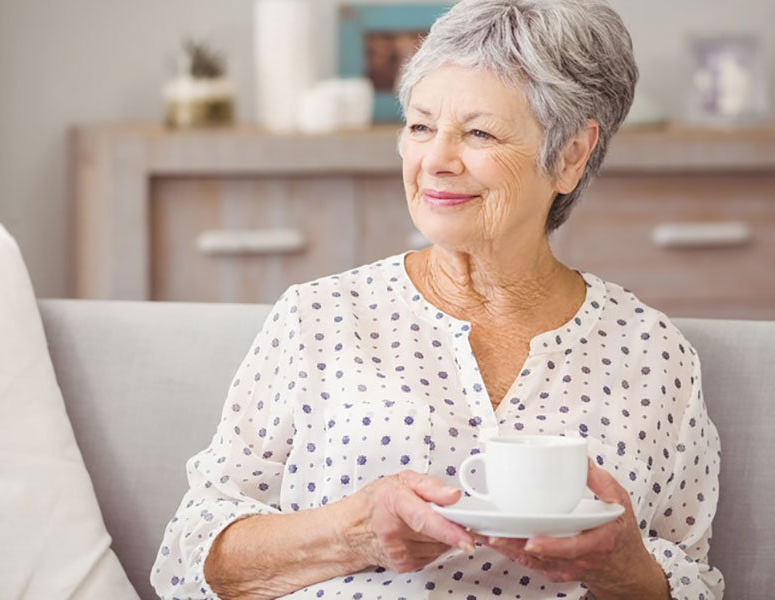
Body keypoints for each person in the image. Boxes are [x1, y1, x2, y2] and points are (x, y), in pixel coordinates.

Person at [151, 1, 724, 598]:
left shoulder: (654, 355)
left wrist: (623, 567)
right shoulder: (319, 317)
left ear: (570, 156)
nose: (435, 162)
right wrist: (353, 534)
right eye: (421, 126)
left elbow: (694, 580)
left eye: (478, 133)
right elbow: (191, 557)